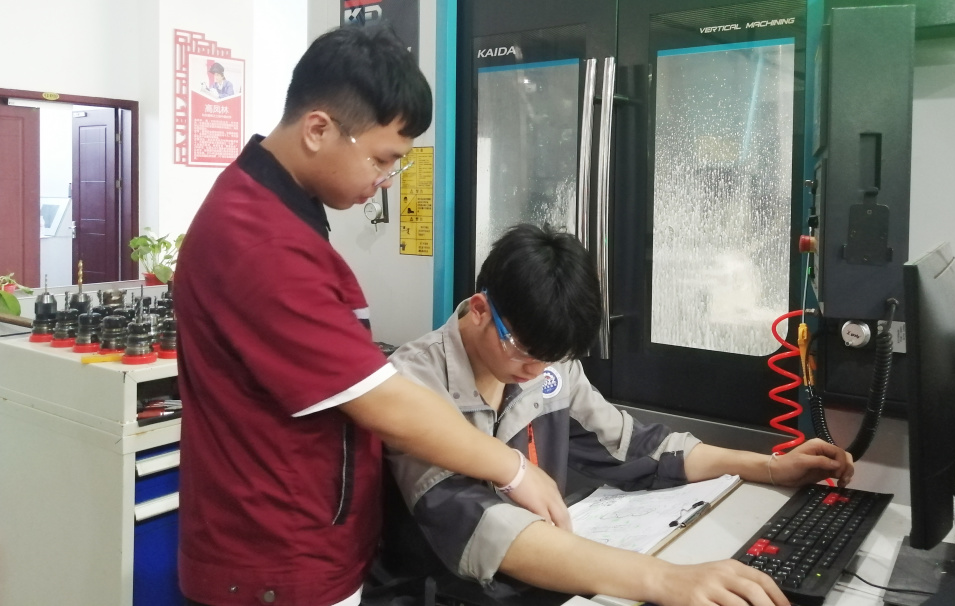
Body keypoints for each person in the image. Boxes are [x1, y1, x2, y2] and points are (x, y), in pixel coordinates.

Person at [172, 25, 569, 606]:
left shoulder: (284, 207)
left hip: (304, 544)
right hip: (273, 560)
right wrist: (513, 469)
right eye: (383, 159)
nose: (384, 181)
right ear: (318, 129)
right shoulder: (260, 239)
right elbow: (384, 404)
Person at [383, 223, 856, 606]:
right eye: (524, 353)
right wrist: (664, 579)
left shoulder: (546, 366)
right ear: (481, 310)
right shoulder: (412, 383)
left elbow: (637, 446)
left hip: (545, 580)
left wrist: (770, 467)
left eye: (551, 359)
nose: (537, 372)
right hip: (452, 592)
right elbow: (483, 527)